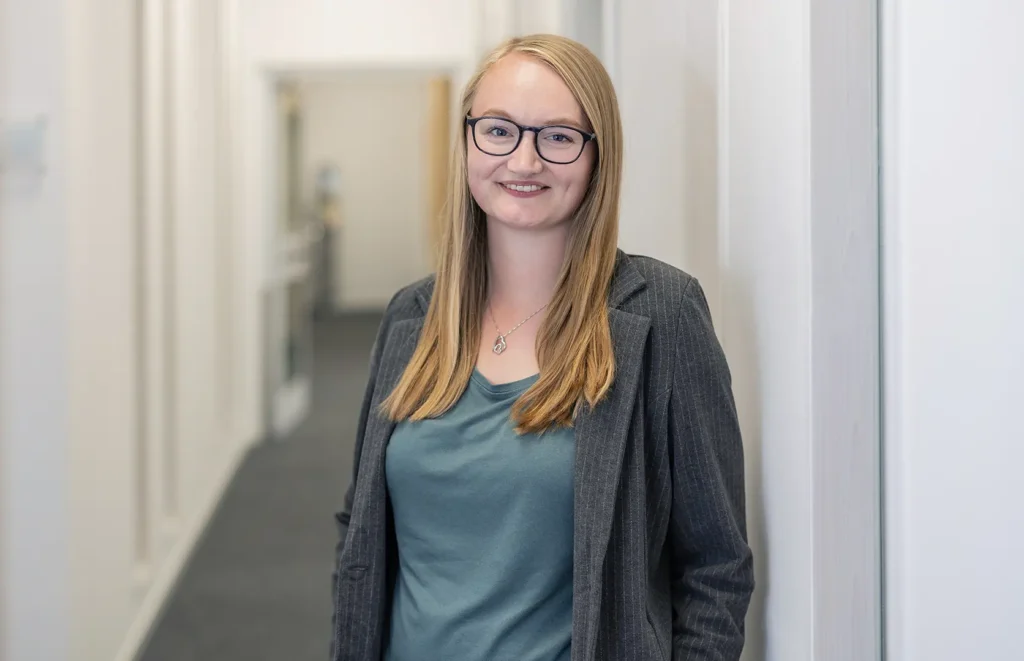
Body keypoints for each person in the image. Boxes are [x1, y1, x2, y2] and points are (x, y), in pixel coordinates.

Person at [330, 34, 754, 661]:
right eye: (499, 130)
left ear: (596, 157)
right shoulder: (411, 317)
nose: (524, 162)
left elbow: (715, 568)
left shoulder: (662, 312)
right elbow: (359, 533)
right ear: (469, 140)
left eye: (557, 137)